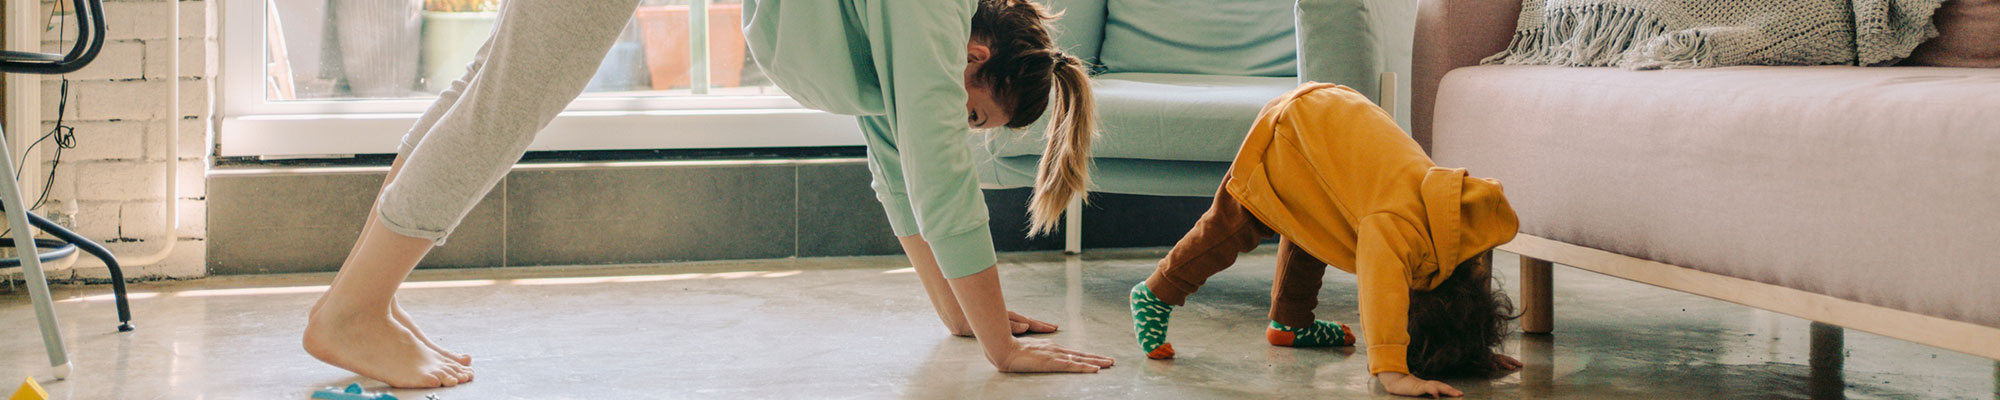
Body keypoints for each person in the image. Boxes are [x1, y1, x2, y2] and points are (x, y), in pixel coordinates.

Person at [303, 0, 1109, 388]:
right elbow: (937, 173)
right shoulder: (931, 16)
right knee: (508, 98)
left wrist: (965, 314)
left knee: (492, 83)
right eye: (970, 109)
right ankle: (355, 310)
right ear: (975, 54)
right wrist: (1003, 352)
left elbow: (901, 165)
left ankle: (361, 299)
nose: (955, 121)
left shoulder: (911, 31)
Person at [1126, 82, 1522, 397]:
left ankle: (1291, 323)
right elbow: (1382, 291)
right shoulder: (1397, 228)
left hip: (1333, 112)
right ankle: (1156, 292)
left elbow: (1472, 279)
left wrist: (1475, 352)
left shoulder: (1456, 217)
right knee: (1234, 224)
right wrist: (1394, 372)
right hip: (1291, 128)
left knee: (1324, 220)